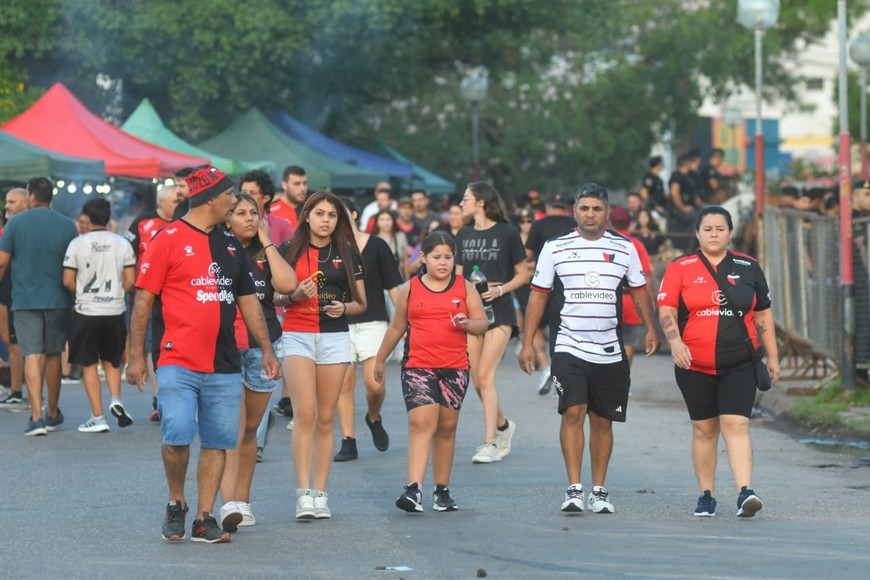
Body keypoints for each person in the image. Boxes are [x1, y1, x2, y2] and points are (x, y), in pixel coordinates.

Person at [127, 165, 280, 544]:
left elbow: (248, 301)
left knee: (216, 440)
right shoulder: (167, 239)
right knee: (177, 433)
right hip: (176, 358)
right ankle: (176, 501)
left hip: (224, 362)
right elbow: (143, 301)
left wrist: (266, 349)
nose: (235, 200)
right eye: (229, 195)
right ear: (211, 199)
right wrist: (135, 356)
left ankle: (203, 517)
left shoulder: (229, 244)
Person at [518, 183, 659, 515]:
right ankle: (573, 489)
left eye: (597, 208)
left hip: (609, 347)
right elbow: (538, 295)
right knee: (573, 412)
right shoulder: (555, 247)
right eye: (584, 208)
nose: (590, 214)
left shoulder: (624, 247)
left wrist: (651, 328)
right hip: (569, 344)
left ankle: (599, 491)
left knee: (602, 420)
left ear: (607, 212)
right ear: (574, 211)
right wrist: (527, 343)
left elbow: (639, 291)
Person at [657, 205, 779, 518]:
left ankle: (745, 492)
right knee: (704, 428)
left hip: (740, 362)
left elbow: (763, 314)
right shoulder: (680, 267)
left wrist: (773, 356)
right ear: (697, 234)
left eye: (720, 229)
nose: (714, 234)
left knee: (737, 424)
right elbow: (667, 309)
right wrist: (675, 342)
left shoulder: (748, 266)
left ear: (730, 233)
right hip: (693, 364)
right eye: (708, 229)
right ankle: (706, 495)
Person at [374, 231, 488, 512]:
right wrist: (380, 359)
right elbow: (397, 327)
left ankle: (442, 490)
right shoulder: (410, 288)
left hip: (455, 368)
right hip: (418, 366)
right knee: (421, 423)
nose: (443, 263)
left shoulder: (464, 287)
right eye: (437, 257)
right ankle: (414, 489)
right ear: (423, 258)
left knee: (446, 428)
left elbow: (482, 323)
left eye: (448, 257)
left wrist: (467, 323)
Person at [275, 190, 366, 520]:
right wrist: (294, 295)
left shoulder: (347, 251)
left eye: (332, 215)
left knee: (327, 418)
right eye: (320, 214)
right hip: (297, 335)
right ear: (307, 216)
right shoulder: (289, 249)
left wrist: (344, 307)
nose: (326, 220)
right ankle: (303, 494)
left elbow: (361, 303)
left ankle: (321, 495)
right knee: (306, 414)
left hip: (335, 338)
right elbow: (273, 296)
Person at [217, 193, 297, 531]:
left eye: (254, 213)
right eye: (241, 213)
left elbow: (288, 285)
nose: (250, 218)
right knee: (233, 429)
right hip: (225, 346)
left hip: (264, 346)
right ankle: (228, 504)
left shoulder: (267, 252)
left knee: (251, 429)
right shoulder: (217, 248)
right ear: (226, 218)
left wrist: (267, 240)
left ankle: (243, 501)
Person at [0, 177, 79, 436]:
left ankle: (36, 418)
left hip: (24, 300)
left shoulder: (15, 223)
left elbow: (2, 262)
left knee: (32, 353)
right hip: (58, 299)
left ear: (32, 196)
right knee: (54, 353)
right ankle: (52, 412)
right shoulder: (67, 225)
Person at [455, 182, 526, 464]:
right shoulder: (463, 234)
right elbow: (458, 276)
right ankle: (504, 426)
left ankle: (490, 442)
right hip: (472, 310)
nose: (461, 203)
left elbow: (523, 274)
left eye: (466, 199)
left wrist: (499, 290)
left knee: (485, 376)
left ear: (481, 202)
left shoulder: (507, 232)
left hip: (500, 309)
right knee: (476, 380)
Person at [333, 198, 404, 461]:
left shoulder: (378, 245)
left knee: (375, 384)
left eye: (339, 213)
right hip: (339, 323)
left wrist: (407, 321)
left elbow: (394, 287)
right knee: (344, 383)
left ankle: (373, 416)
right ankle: (348, 440)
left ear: (354, 214)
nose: (334, 219)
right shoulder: (330, 248)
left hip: (374, 321)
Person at [63, 198, 137, 433]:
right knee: (112, 360)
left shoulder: (77, 243)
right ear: (108, 217)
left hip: (87, 310)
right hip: (115, 310)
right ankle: (116, 399)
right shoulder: (122, 243)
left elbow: (67, 280)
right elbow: (131, 281)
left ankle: (98, 416)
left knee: (89, 363)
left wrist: (83, 293)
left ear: (87, 218)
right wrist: (116, 294)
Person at [125, 182, 179, 421]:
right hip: (147, 293)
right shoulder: (141, 222)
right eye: (175, 201)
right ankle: (159, 399)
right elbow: (126, 252)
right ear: (161, 202)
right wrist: (129, 282)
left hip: (176, 294)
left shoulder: (183, 223)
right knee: (151, 342)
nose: (178, 205)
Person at [524, 192, 577, 394]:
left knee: (537, 326)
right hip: (568, 285)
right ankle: (563, 371)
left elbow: (527, 254)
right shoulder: (573, 224)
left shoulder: (539, 225)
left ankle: (546, 366)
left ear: (547, 207)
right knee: (563, 328)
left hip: (543, 284)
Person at [608, 206, 655, 367]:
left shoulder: (604, 242)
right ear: (629, 223)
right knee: (627, 343)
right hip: (631, 299)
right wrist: (650, 299)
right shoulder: (636, 244)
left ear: (611, 222)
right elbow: (646, 275)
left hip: (607, 300)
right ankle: (623, 378)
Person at [0, 187, 28, 411]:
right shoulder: (15, 226)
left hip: (12, 290)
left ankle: (17, 391)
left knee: (14, 344)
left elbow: (3, 262)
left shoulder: (15, 227)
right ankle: (17, 390)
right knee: (14, 344)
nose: (7, 206)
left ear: (26, 202)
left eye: (12, 202)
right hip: (13, 289)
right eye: (7, 202)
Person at [271, 165, 308, 232]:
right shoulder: (270, 212)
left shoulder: (310, 211)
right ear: (284, 185)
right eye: (297, 184)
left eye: (304, 184)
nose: (302, 188)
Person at [374, 208, 409, 275]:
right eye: (382, 220)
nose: (385, 223)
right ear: (377, 223)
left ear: (393, 221)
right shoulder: (373, 240)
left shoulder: (400, 237)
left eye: (388, 219)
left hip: (398, 277)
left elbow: (405, 260)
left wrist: (407, 279)